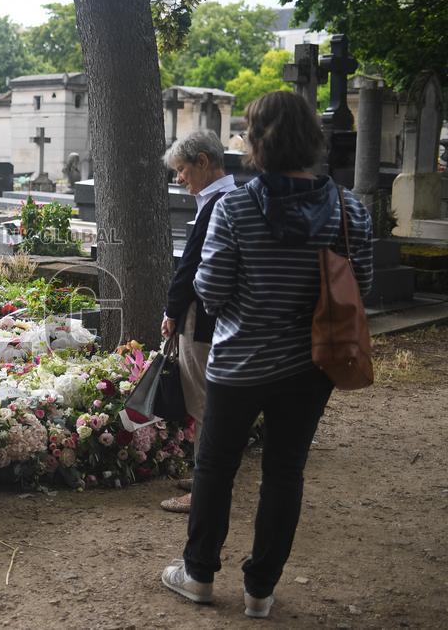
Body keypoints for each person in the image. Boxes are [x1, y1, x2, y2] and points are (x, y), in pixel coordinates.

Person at [160, 91, 373, 619]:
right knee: (285, 472)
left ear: (256, 142)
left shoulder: (233, 207)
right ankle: (260, 589)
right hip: (312, 366)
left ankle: (200, 574)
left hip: (239, 363)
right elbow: (361, 285)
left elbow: (210, 292)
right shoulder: (350, 209)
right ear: (312, 139)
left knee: (215, 466)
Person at [160, 130, 237, 514]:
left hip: (203, 319)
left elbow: (192, 267)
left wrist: (171, 312)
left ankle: (206, 490)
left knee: (204, 402)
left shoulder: (218, 204)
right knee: (208, 401)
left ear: (204, 162)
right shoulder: (233, 198)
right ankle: (205, 474)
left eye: (183, 170)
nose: (179, 179)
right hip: (221, 317)